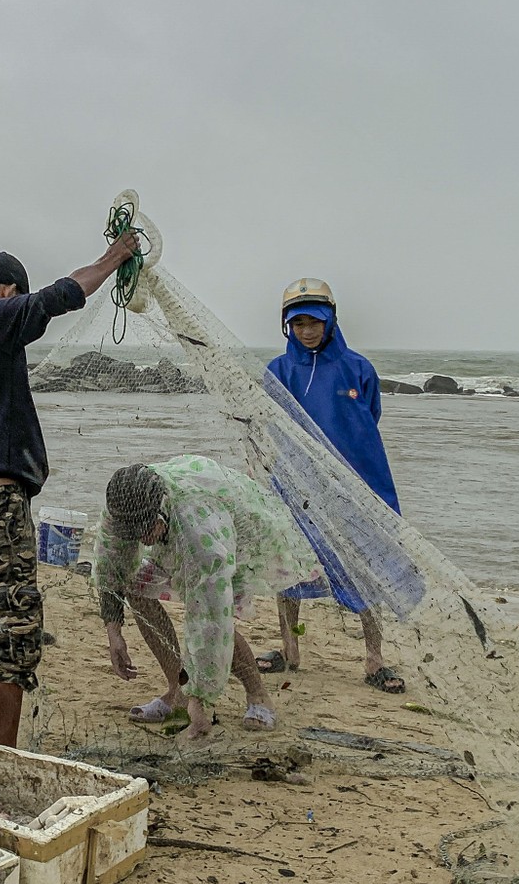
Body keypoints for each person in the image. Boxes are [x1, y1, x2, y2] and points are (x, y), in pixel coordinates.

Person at [0, 231, 140, 746]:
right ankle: (5, 754)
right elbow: (62, 295)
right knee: (14, 638)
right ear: (4, 292)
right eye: (18, 299)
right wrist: (114, 257)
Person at [97, 457, 323, 741]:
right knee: (136, 590)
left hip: (237, 533)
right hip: (181, 533)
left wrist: (201, 703)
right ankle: (176, 690)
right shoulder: (119, 511)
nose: (143, 537)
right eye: (135, 533)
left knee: (216, 621)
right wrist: (114, 632)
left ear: (162, 508)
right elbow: (110, 567)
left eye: (147, 527)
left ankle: (258, 694)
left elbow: (210, 619)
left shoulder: (199, 530)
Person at [260, 278, 404, 692]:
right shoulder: (279, 371)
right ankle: (289, 649)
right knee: (286, 563)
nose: (307, 331)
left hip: (357, 485)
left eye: (315, 322)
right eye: (299, 323)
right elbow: (268, 424)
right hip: (296, 487)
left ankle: (375, 658)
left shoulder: (358, 368)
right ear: (288, 326)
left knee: (366, 567)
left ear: (331, 321)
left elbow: (370, 416)